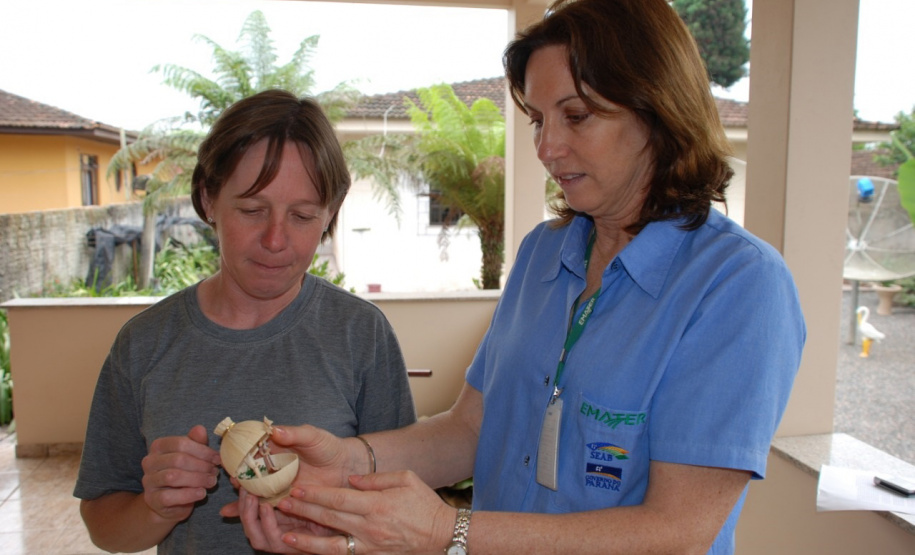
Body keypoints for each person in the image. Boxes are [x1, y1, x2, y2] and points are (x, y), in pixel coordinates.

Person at [234, 1, 806, 553]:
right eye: (537, 119)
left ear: (657, 111)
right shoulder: (543, 254)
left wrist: (446, 534)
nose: (547, 147)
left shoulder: (738, 286)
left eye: (576, 116)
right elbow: (470, 430)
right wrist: (349, 459)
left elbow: (676, 534)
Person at [73, 89, 416, 554]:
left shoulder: (361, 334)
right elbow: (103, 526)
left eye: (302, 215)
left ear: (329, 215)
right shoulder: (144, 345)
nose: (276, 239)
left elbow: (401, 515)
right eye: (252, 210)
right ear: (208, 199)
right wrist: (158, 507)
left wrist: (334, 537)